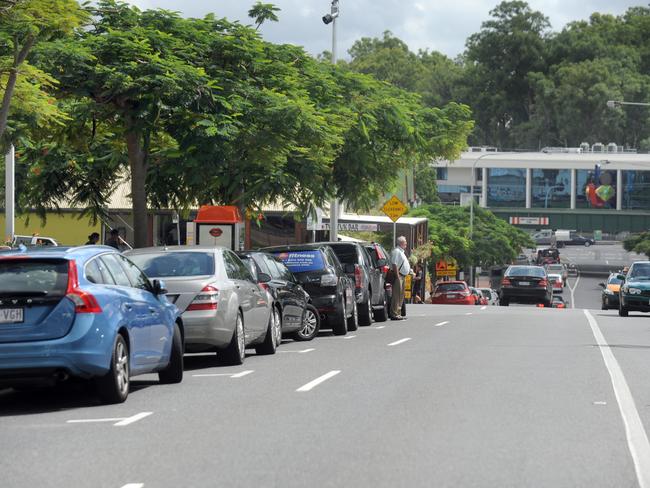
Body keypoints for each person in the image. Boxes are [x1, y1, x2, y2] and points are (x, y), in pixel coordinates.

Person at [389, 236, 412, 320]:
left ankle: (398, 313)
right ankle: (394, 314)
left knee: (401, 296)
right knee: (396, 295)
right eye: (405, 242)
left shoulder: (401, 251)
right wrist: (397, 276)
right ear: (401, 243)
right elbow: (394, 264)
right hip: (399, 276)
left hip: (403, 276)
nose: (406, 243)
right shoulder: (396, 251)